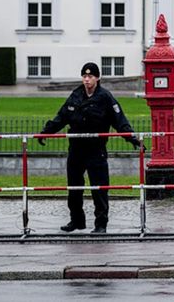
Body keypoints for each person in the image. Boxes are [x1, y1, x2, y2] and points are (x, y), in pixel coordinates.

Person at [37, 62, 140, 234]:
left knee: (99, 188)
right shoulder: (76, 95)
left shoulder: (105, 97)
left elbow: (119, 120)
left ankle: (101, 224)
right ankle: (76, 220)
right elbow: (62, 117)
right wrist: (46, 132)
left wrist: (132, 138)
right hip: (76, 149)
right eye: (84, 76)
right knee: (74, 187)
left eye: (90, 76)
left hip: (95, 149)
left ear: (97, 78)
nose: (86, 79)